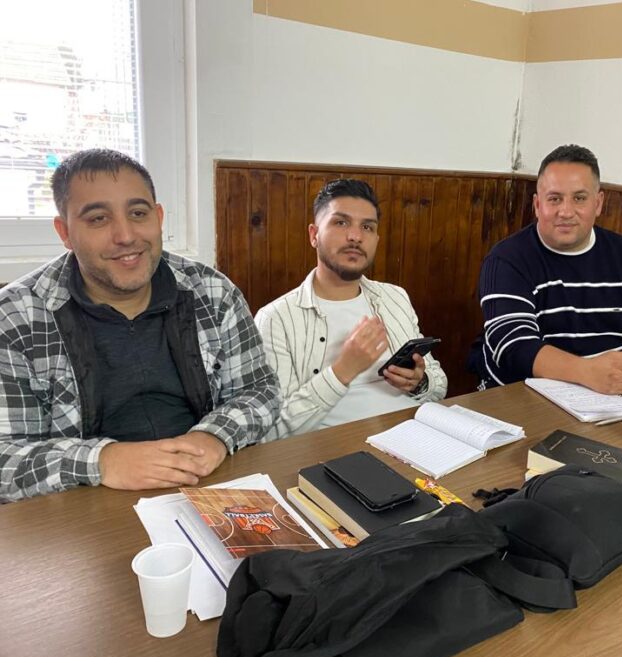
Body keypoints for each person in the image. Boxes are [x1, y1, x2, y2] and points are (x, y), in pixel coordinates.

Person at [0, 149, 280, 502]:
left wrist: (214, 436)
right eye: (98, 219)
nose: (126, 235)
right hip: (83, 508)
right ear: (65, 232)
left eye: (138, 213)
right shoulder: (15, 316)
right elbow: (5, 458)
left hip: (209, 485)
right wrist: (102, 461)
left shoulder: (212, 290)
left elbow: (260, 390)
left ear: (159, 217)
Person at [469, 144, 622, 395]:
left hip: (607, 398)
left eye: (579, 198)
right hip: (519, 396)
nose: (566, 211)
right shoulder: (506, 259)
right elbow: (513, 346)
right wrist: (586, 372)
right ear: (537, 205)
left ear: (598, 203)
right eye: (554, 199)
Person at [255, 178, 446, 439]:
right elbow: (273, 430)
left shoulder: (394, 297)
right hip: (339, 450)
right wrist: (343, 370)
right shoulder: (276, 318)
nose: (356, 236)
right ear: (314, 235)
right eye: (340, 222)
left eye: (367, 227)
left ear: (376, 239)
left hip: (415, 435)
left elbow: (439, 384)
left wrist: (419, 382)